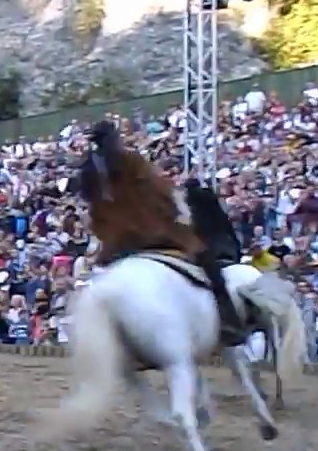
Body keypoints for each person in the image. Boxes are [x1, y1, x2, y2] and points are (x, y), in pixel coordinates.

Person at [73, 121, 247, 346]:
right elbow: (157, 191)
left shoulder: (88, 169)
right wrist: (174, 212)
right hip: (150, 235)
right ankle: (228, 320)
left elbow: (90, 204)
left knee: (91, 281)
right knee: (207, 261)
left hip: (114, 242)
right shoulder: (131, 160)